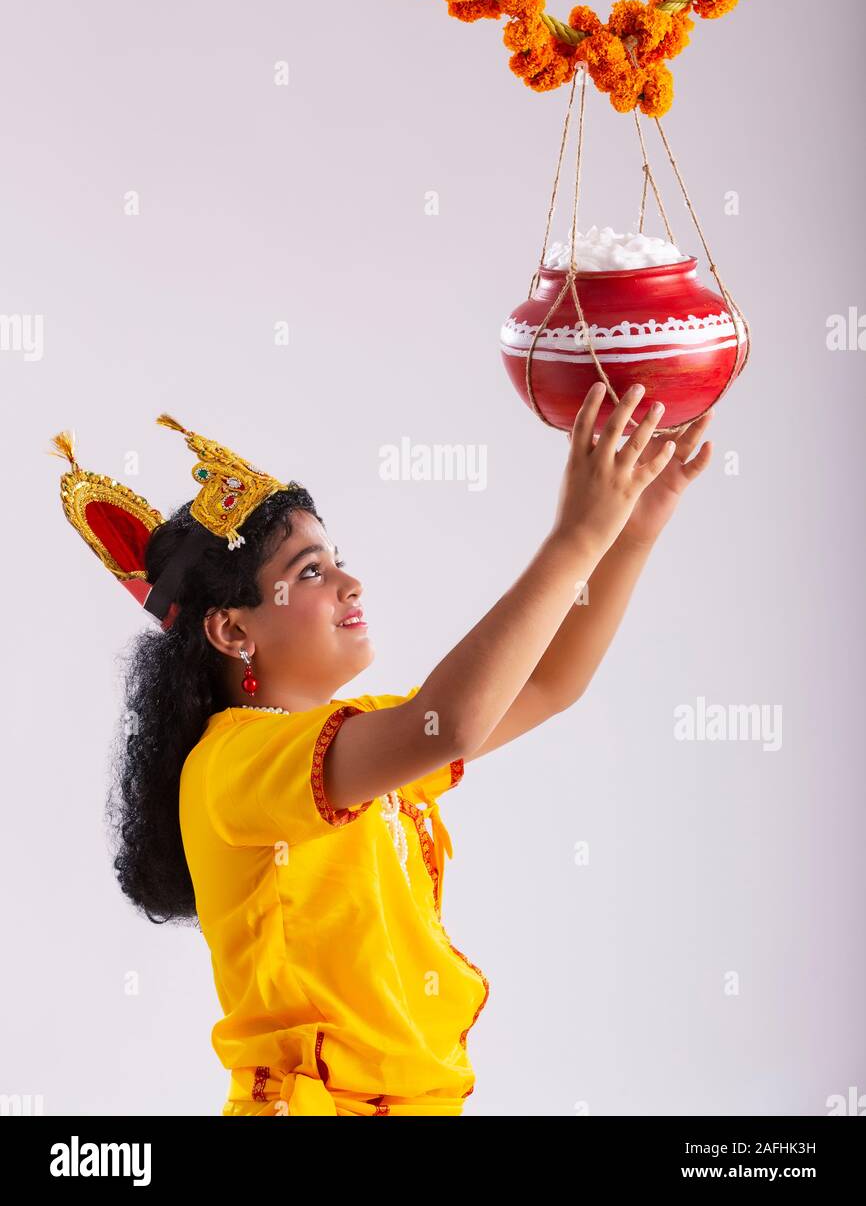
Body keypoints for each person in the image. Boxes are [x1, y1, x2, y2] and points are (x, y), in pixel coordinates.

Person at [51, 386, 712, 1114]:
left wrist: (633, 533)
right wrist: (577, 537)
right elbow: (454, 720)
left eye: (337, 560)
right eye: (309, 571)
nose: (349, 582)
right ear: (233, 631)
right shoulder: (232, 764)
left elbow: (551, 682)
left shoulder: (357, 741)